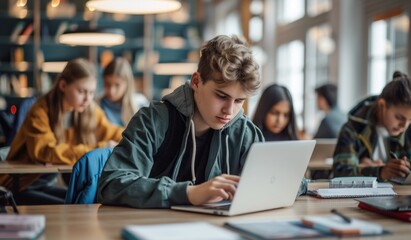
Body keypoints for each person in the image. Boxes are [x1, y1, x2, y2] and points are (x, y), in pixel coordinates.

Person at [97, 35, 265, 209]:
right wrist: (189, 193)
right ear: (196, 82)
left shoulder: (245, 131)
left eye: (239, 101)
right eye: (222, 96)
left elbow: (276, 182)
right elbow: (111, 184)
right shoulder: (153, 120)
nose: (229, 111)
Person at [0, 58, 124, 205]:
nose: (87, 99)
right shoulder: (40, 111)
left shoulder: (88, 110)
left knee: (91, 202)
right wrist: (99, 148)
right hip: (22, 185)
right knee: (77, 207)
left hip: (47, 184)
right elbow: (46, 151)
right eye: (81, 91)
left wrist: (133, 138)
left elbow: (113, 132)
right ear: (63, 85)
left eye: (91, 93)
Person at [333, 71, 411, 181]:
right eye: (399, 117)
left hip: (403, 196)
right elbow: (341, 173)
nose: (404, 125)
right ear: (382, 105)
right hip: (358, 198)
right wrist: (380, 172)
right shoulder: (352, 129)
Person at [99, 57, 149, 127]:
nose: (111, 91)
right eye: (107, 84)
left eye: (117, 85)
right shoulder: (98, 106)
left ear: (127, 83)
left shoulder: (141, 105)